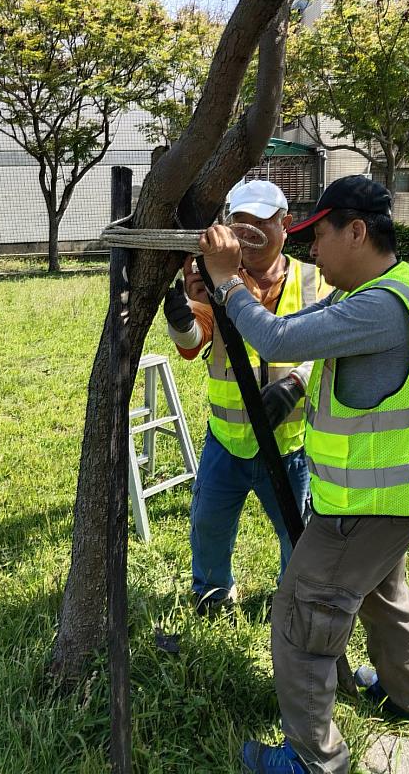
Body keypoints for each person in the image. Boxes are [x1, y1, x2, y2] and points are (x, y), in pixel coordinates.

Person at [199, 175, 409, 774]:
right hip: (393, 500)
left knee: (302, 618)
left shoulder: (379, 307)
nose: (311, 251)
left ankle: (314, 760)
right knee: (385, 600)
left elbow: (278, 336)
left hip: (360, 508)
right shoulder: (386, 287)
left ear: (356, 231)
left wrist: (228, 281)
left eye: (320, 236)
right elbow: (298, 330)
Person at [163, 180, 329, 614]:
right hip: (227, 441)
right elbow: (194, 338)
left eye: (262, 222)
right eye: (241, 223)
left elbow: (327, 348)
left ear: (286, 224)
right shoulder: (215, 279)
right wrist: (180, 320)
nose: (250, 232)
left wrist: (295, 383)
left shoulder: (313, 281)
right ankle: (213, 593)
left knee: (299, 531)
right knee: (209, 525)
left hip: (288, 444)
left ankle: (291, 596)